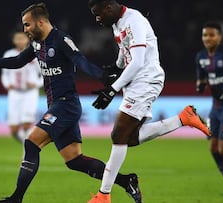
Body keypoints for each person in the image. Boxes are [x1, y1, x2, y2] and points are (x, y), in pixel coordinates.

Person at [0, 3, 142, 203]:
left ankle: (15, 199)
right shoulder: (36, 44)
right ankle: (126, 180)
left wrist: (103, 76)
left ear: (40, 22)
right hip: (57, 106)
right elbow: (17, 61)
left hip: (66, 105)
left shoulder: (61, 40)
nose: (25, 30)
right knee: (74, 160)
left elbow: (79, 60)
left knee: (31, 142)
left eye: (27, 25)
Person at [87, 1, 211, 202]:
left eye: (97, 13)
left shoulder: (134, 20)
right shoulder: (117, 23)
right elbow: (124, 51)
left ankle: (103, 195)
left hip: (145, 79)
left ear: (108, 8)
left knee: (118, 134)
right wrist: (115, 67)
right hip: (135, 82)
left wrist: (112, 89)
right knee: (130, 138)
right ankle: (183, 118)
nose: (97, 18)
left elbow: (137, 61)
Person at [196, 22, 223, 196]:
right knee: (213, 149)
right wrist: (200, 85)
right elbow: (201, 78)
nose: (208, 38)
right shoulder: (200, 56)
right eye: (205, 35)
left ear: (219, 37)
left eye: (211, 35)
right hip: (216, 107)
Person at [1, 31, 43, 143]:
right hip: (14, 93)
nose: (20, 41)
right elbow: (5, 74)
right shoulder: (9, 54)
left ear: (27, 39)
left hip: (30, 93)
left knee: (26, 125)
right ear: (14, 41)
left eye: (22, 38)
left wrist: (37, 84)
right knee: (14, 130)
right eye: (17, 39)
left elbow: (45, 74)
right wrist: (7, 84)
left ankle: (27, 154)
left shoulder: (35, 55)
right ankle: (29, 145)